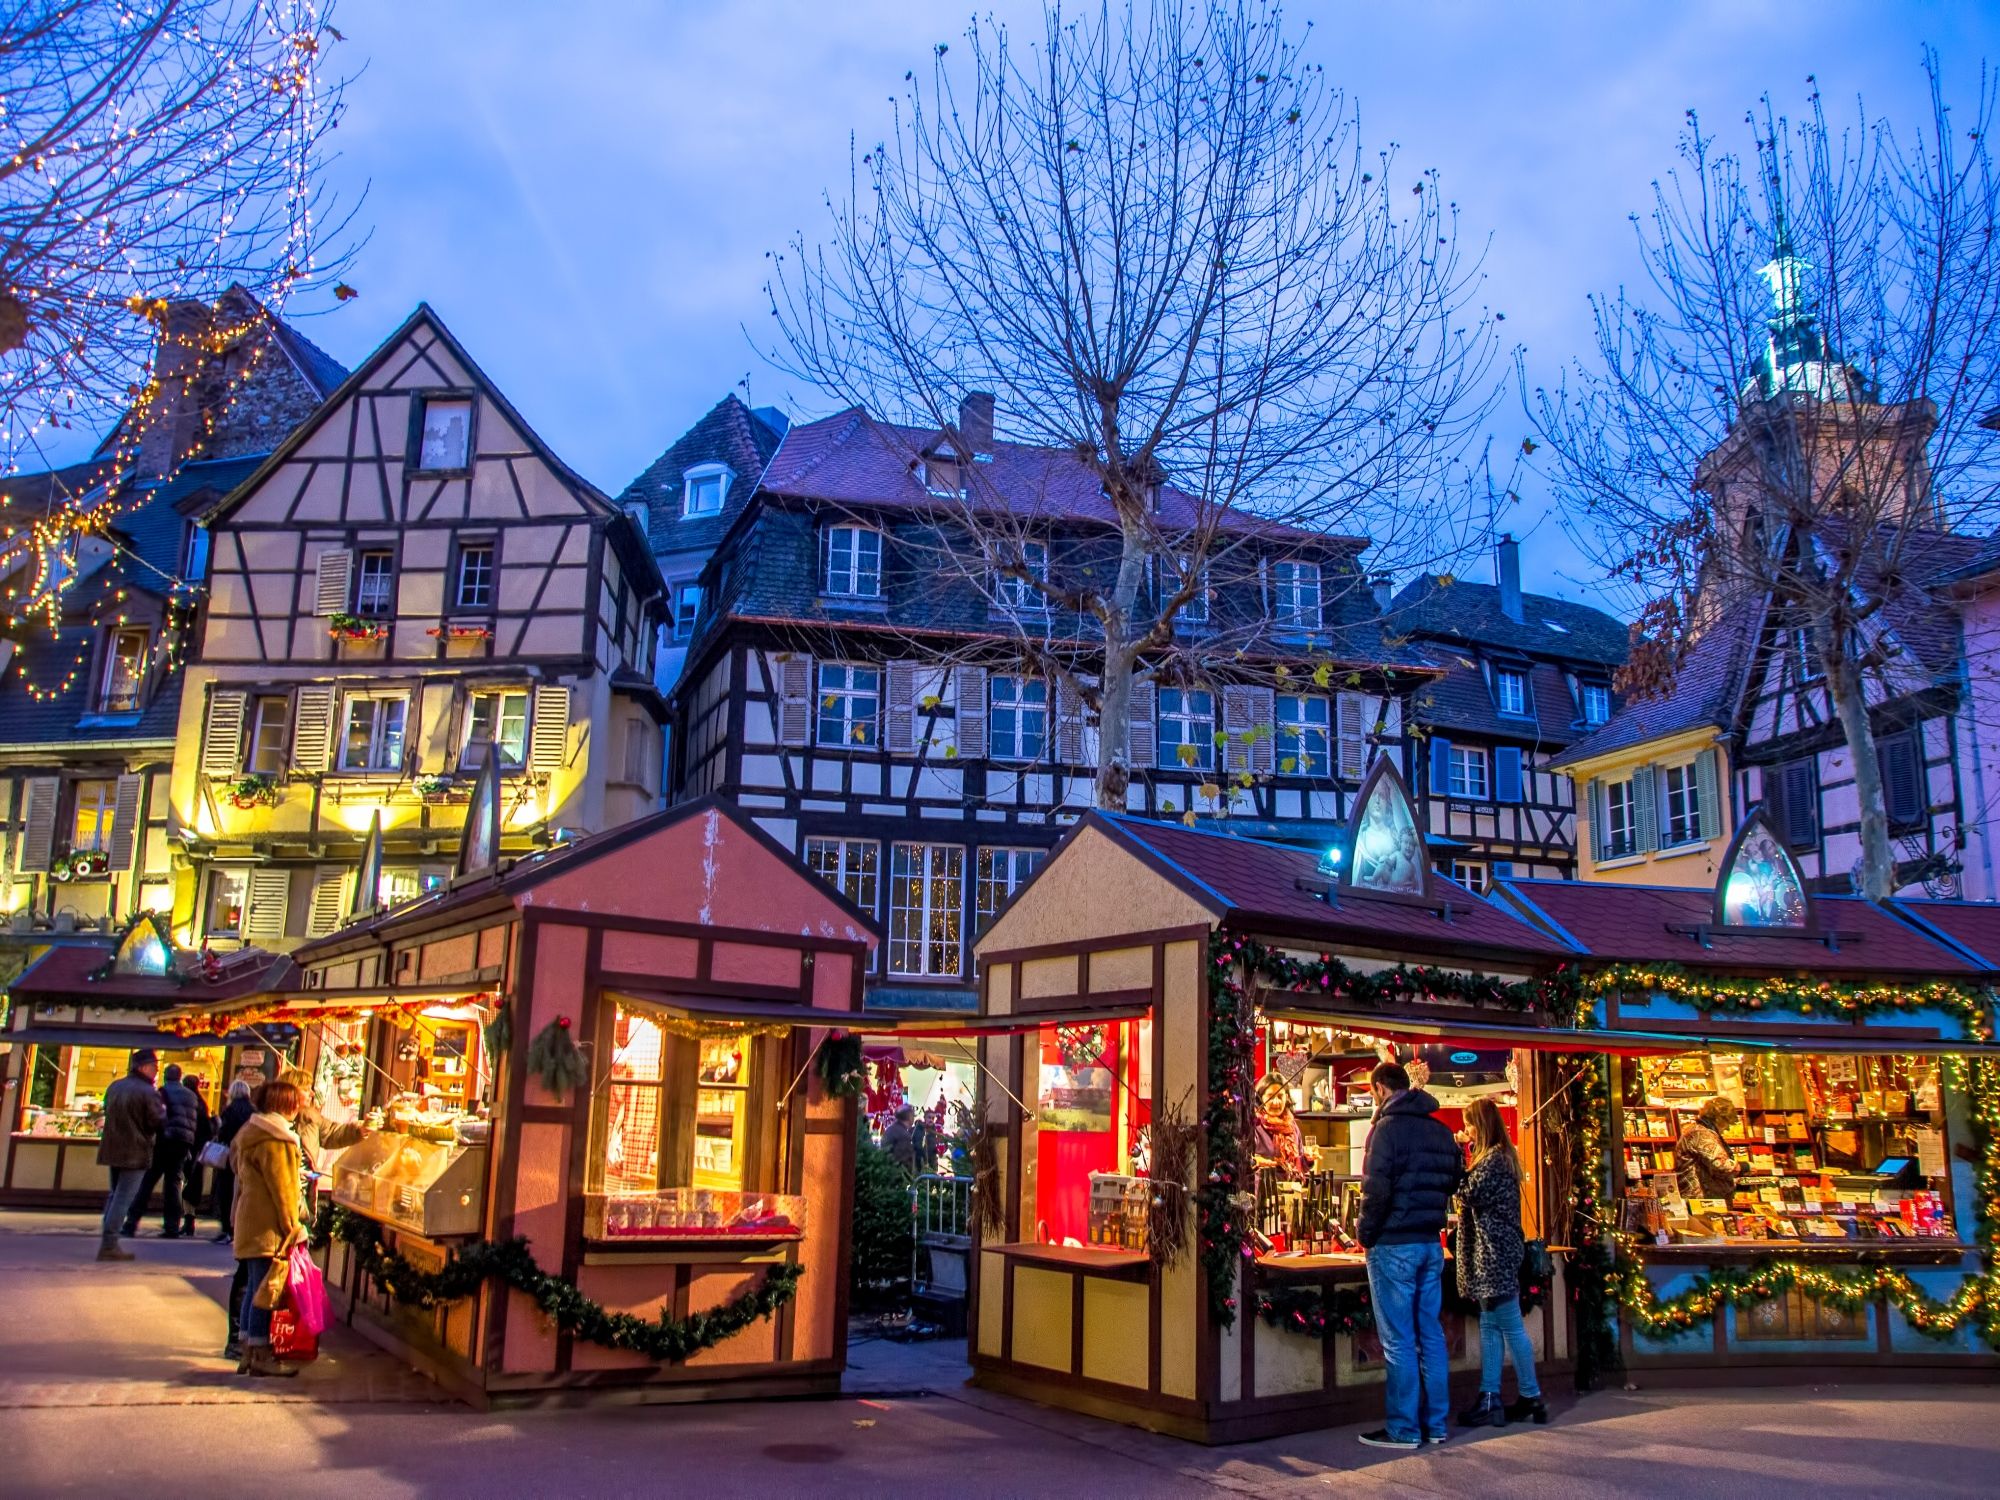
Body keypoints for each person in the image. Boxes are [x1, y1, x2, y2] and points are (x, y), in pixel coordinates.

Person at [1356, 1060, 1462, 1451]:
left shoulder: (1384, 1131)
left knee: (1398, 1339)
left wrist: (1365, 1234)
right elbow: (1454, 1180)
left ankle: (1403, 1428)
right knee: (1431, 1334)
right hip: (1429, 1243)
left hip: (1393, 1243)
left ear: (1380, 1088)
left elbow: (1375, 1191)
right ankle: (1435, 1424)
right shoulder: (1440, 1129)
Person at [1454, 1097, 1546, 1429]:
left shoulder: (1493, 1160)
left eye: (1469, 1124)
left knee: (1507, 1324)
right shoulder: (1499, 1157)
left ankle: (1530, 1394)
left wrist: (1457, 1158)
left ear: (1481, 1125)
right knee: (1491, 1325)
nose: (1465, 1131)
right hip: (1495, 1252)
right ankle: (1491, 1396)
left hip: (1494, 1254)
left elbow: (1467, 1193)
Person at [230, 1077, 305, 1378]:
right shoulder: (277, 1139)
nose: (300, 1107)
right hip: (268, 1225)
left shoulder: (251, 1132)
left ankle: (248, 1350)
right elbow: (284, 1189)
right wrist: (293, 1227)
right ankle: (260, 1355)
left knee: (254, 1287)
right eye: (297, 1102)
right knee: (266, 1290)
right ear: (286, 1104)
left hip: (249, 1219)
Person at [95, 1050, 165, 1261]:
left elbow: (106, 1111)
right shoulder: (148, 1092)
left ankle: (108, 1239)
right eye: (154, 1066)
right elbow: (157, 1121)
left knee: (115, 1194)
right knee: (124, 1197)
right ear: (143, 1067)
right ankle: (110, 1242)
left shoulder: (115, 1087)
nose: (156, 1070)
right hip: (135, 1150)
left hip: (113, 1147)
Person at [126, 1063, 200, 1239]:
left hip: (164, 1141)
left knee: (148, 1182)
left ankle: (131, 1223)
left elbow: (155, 1116)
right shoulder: (191, 1096)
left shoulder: (161, 1092)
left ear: (166, 1076)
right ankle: (172, 1226)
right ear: (180, 1076)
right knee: (173, 1184)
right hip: (183, 1143)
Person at [211, 1079, 254, 1243]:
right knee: (240, 1193)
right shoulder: (253, 1111)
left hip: (230, 1155)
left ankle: (226, 1228)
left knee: (225, 1191)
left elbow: (222, 1133)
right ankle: (237, 1228)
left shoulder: (229, 1110)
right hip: (247, 1156)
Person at [1676, 1097, 1741, 1200]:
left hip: (1708, 1200)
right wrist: (1744, 1167)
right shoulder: (1700, 1133)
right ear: (1719, 1118)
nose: (1728, 1128)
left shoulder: (1703, 1131)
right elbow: (1720, 1164)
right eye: (1728, 1122)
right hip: (1701, 1201)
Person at [181, 1076, 213, 1237]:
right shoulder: (201, 1103)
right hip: (199, 1150)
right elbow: (207, 1129)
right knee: (192, 1184)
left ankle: (187, 1219)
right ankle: (189, 1220)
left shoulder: (187, 1103)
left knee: (185, 1184)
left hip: (187, 1147)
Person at [880, 1105, 918, 1174]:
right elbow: (904, 1161)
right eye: (913, 1116)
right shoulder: (903, 1135)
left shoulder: (890, 1129)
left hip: (885, 1171)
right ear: (909, 1117)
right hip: (896, 1175)